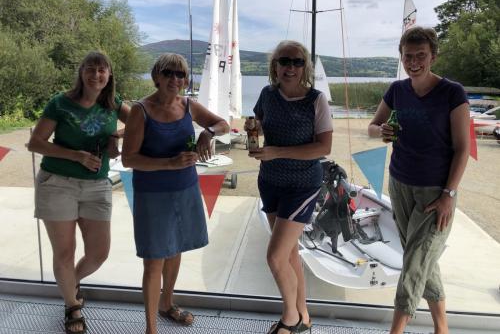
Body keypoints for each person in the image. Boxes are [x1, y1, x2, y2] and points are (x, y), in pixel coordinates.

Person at [368, 26, 470, 334]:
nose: (414, 62)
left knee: (414, 263)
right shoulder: (397, 90)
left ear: (433, 57)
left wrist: (449, 194)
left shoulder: (452, 92)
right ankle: (442, 328)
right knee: (422, 259)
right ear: (401, 57)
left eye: (421, 56)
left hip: (435, 191)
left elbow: (463, 147)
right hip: (399, 185)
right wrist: (381, 131)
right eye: (408, 56)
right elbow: (373, 126)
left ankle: (395, 331)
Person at [121, 53, 229, 334]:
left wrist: (208, 133)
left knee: (175, 250)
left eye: (180, 74)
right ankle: (151, 328)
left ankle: (167, 304)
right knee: (154, 259)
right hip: (153, 195)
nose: (175, 79)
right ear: (156, 76)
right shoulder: (140, 111)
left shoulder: (189, 105)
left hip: (185, 190)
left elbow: (223, 124)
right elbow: (129, 159)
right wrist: (168, 163)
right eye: (168, 73)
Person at [28, 51, 130, 334]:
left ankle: (69, 284)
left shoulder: (114, 104)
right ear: (81, 72)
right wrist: (77, 156)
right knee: (65, 251)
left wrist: (117, 137)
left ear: (109, 75)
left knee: (99, 253)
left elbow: (142, 122)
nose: (96, 74)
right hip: (57, 183)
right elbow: (35, 143)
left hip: (97, 186)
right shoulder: (61, 103)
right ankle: (72, 305)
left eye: (102, 69)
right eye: (90, 68)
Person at [245, 40, 333, 334]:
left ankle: (290, 319)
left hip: (302, 185)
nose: (290, 67)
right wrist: (251, 129)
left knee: (275, 256)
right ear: (275, 66)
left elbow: (324, 147)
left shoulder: (317, 100)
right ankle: (304, 315)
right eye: (285, 61)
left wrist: (277, 151)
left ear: (305, 67)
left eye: (297, 62)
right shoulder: (267, 95)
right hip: (270, 181)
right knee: (290, 253)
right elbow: (257, 124)